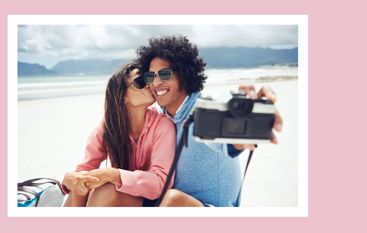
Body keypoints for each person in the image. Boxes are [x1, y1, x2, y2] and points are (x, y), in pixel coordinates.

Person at [135, 35, 283, 207]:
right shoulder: (161, 117)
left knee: (172, 200)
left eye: (165, 74)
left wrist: (246, 119)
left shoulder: (203, 112)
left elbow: (222, 127)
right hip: (170, 209)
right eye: (151, 76)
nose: (156, 82)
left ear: (184, 74)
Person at [62, 63, 176, 207]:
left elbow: (161, 182)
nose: (150, 84)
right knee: (79, 190)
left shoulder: (163, 125)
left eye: (148, 79)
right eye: (140, 82)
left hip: (152, 200)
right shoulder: (108, 127)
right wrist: (68, 179)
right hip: (119, 197)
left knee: (107, 190)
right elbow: (85, 169)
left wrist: (113, 175)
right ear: (122, 96)